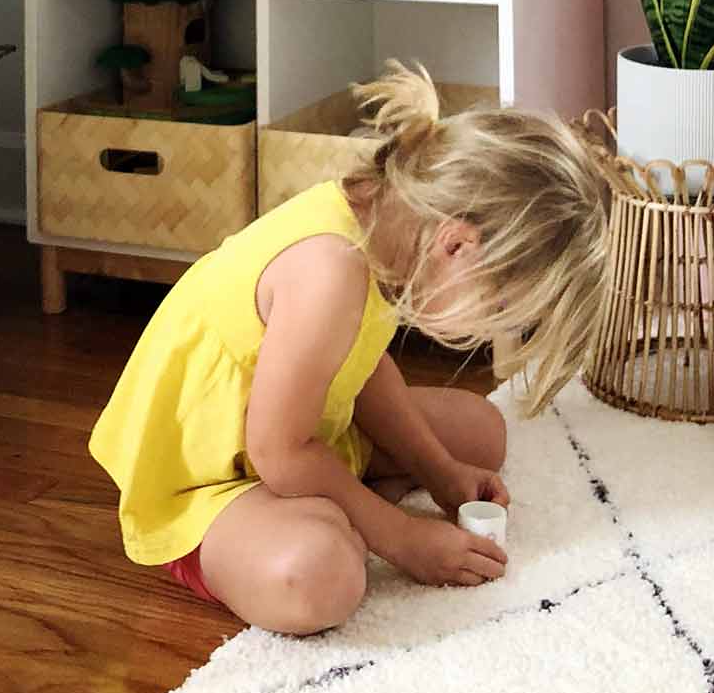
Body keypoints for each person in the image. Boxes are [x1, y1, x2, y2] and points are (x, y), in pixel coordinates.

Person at [89, 62, 611, 634]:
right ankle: (231, 544)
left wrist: (438, 472)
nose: (490, 328)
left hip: (292, 429)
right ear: (458, 244)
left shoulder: (385, 224)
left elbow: (359, 365)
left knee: (481, 431)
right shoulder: (330, 269)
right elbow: (279, 451)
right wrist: (401, 536)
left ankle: (329, 498)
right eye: (498, 305)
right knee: (320, 576)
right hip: (214, 472)